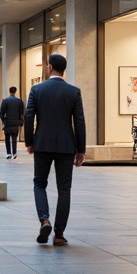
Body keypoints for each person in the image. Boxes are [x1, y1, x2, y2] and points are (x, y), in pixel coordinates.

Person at [24, 54, 86, 246]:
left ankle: (45, 220)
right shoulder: (73, 92)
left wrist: (29, 141)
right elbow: (79, 122)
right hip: (66, 146)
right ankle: (59, 234)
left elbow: (28, 117)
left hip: (42, 143)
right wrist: (80, 149)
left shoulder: (36, 89)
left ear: (49, 67)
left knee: (39, 184)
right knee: (64, 189)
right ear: (64, 69)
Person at [0, 86, 25, 160]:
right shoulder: (19, 101)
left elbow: (2, 112)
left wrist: (3, 120)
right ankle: (14, 152)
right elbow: (22, 112)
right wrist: (21, 121)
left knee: (7, 138)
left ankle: (8, 153)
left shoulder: (5, 101)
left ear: (9, 91)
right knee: (14, 138)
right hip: (16, 123)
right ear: (15, 92)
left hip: (7, 123)